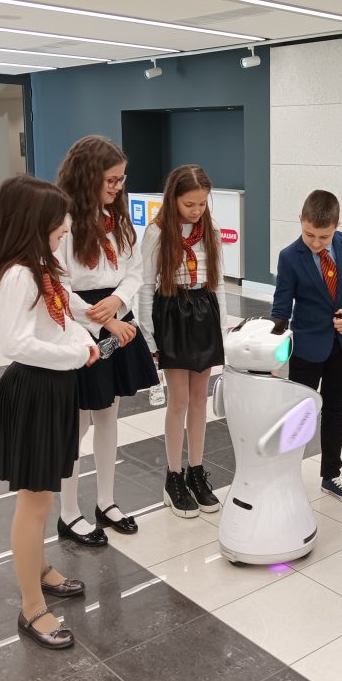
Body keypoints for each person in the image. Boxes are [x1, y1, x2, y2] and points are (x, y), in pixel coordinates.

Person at [0, 175, 97, 650]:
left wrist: (85, 343)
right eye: (58, 222)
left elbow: (62, 320)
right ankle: (31, 607)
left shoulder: (43, 269)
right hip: (34, 391)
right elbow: (17, 344)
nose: (66, 228)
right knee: (34, 501)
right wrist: (75, 354)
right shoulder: (18, 276)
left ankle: (40, 567)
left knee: (43, 495)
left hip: (54, 388)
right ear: (33, 223)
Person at [55, 136, 159, 546]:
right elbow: (59, 287)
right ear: (88, 176)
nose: (118, 187)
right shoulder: (63, 221)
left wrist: (118, 302)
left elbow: (135, 270)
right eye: (111, 180)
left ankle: (106, 501)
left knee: (109, 414)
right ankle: (68, 513)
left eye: (121, 179)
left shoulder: (116, 218)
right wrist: (104, 321)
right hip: (82, 324)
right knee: (77, 422)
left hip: (114, 314)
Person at [271, 190, 342, 503]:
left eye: (324, 236)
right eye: (309, 235)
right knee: (299, 413)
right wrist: (273, 354)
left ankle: (331, 475)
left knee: (335, 409)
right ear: (300, 221)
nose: (316, 243)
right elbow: (281, 309)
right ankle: (285, 476)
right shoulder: (289, 257)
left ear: (336, 226)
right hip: (307, 347)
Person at [138, 165, 227, 518]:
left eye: (202, 204)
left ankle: (196, 471)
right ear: (173, 198)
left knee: (200, 398)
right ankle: (173, 477)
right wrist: (149, 336)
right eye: (189, 204)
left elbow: (218, 282)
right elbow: (146, 286)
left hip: (203, 309)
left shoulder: (211, 231)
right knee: (178, 400)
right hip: (172, 311)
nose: (196, 211)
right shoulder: (158, 232)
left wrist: (222, 327)